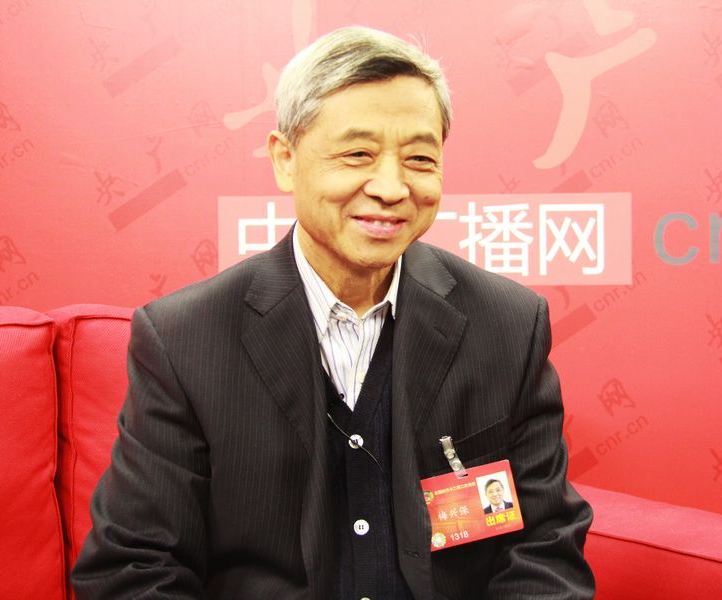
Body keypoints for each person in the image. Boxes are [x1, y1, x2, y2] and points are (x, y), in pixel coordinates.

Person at [71, 26, 594, 599]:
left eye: (419, 158)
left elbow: (543, 547)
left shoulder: (508, 325)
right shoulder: (185, 339)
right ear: (285, 159)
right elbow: (135, 567)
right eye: (357, 154)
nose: (392, 187)